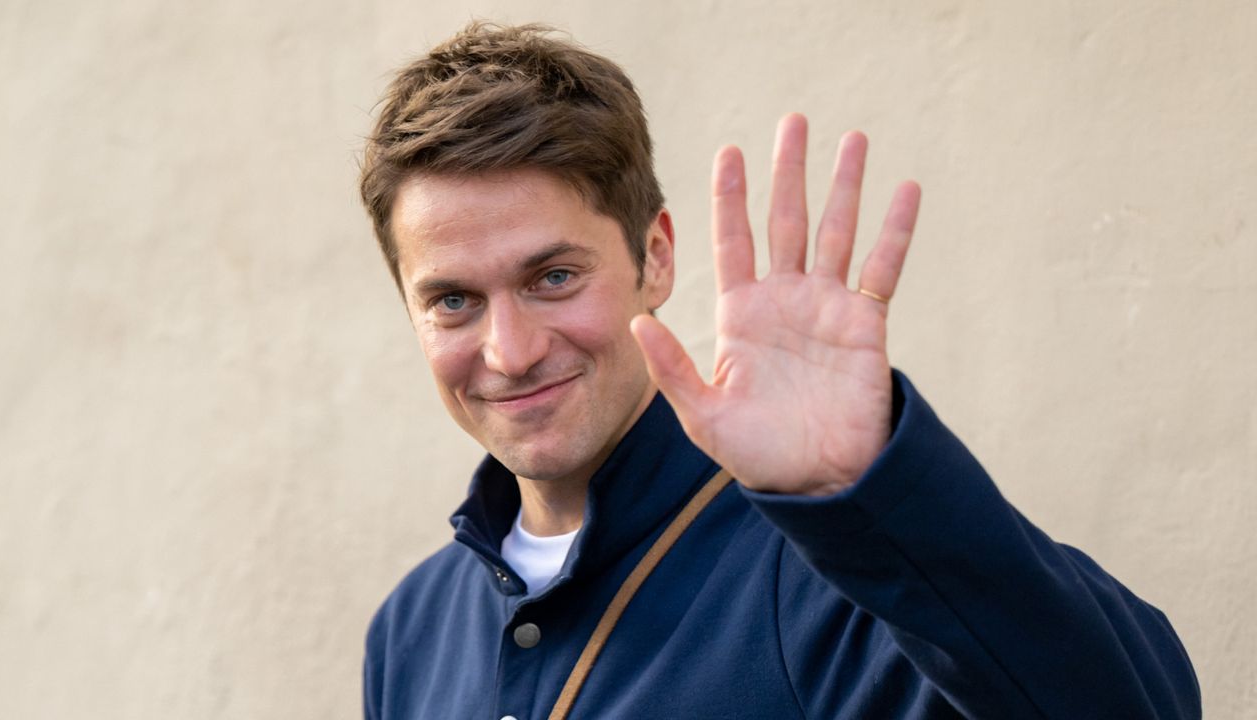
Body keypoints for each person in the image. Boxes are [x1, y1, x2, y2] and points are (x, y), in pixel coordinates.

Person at [357, 22, 1200, 720]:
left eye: (554, 278)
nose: (510, 350)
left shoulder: (828, 575)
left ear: (654, 258)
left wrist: (869, 484)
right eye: (454, 301)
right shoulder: (410, 631)